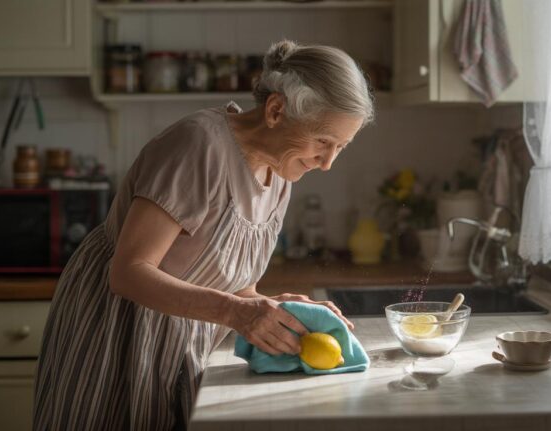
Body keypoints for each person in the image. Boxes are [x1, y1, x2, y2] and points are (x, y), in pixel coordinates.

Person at [33, 40, 374, 430]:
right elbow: (128, 273)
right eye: (322, 143)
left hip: (184, 332)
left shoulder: (280, 172)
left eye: (340, 148)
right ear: (277, 110)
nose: (327, 163)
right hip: (116, 329)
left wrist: (275, 308)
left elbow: (231, 284)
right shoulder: (199, 145)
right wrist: (237, 312)